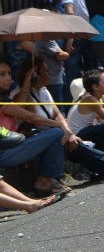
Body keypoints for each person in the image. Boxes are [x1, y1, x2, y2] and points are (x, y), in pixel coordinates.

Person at [0, 59, 73, 197]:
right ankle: (44, 180)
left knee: (48, 132)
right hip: (5, 151)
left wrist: (27, 82)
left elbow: (23, 111)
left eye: (9, 73)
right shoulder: (2, 101)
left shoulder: (5, 97)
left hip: (11, 145)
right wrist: (61, 126)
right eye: (2, 74)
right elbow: (30, 117)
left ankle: (48, 178)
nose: (8, 77)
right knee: (56, 133)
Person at [59, 0, 94, 90]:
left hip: (76, 33)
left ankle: (72, 103)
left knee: (72, 71)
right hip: (92, 32)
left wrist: (70, 37)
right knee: (92, 71)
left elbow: (69, 12)